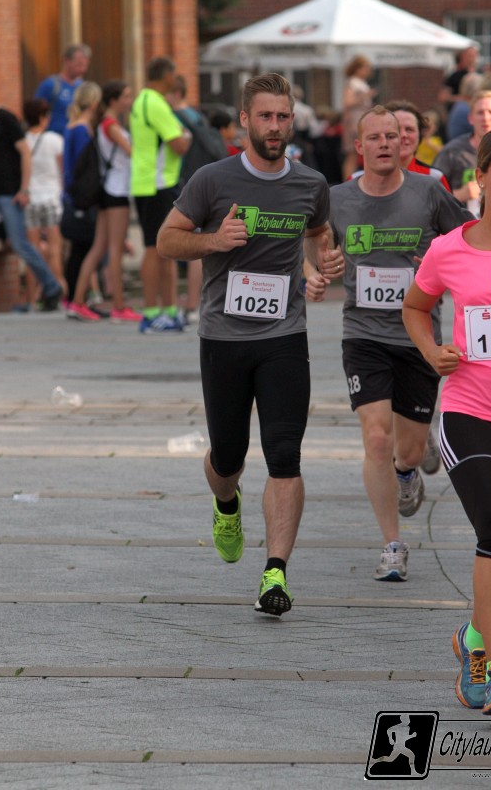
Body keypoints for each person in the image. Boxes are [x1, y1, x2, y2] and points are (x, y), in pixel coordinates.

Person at [157, 73, 337, 616]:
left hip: (284, 336)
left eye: (282, 116)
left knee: (284, 454)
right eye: (265, 116)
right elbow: (167, 240)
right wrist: (215, 239)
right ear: (244, 120)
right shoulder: (212, 180)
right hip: (224, 338)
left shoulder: (310, 183)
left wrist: (320, 266)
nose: (274, 126)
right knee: (228, 456)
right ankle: (226, 501)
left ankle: (274, 574)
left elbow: (317, 232)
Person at [402, 129, 491, 714]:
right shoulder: (449, 249)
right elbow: (415, 307)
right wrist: (430, 351)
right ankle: (490, 660)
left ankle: (472, 636)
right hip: (470, 410)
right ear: (480, 178)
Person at [309, 106, 470, 583]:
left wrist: (439, 260)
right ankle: (392, 545)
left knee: (411, 451)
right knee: (376, 437)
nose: (384, 144)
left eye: (392, 136)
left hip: (418, 337)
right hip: (363, 334)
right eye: (374, 137)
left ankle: (407, 472)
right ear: (359, 146)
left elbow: (467, 238)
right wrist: (318, 269)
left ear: (405, 144)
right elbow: (313, 238)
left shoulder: (429, 192)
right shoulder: (336, 197)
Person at [0, 78, 63, 314]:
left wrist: (24, 188)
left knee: (20, 243)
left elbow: (25, 153)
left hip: (9, 192)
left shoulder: (6, 119)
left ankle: (51, 287)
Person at [68, 80, 140, 323]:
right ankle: (119, 306)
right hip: (117, 191)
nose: (129, 101)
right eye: (126, 96)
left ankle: (77, 302)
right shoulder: (111, 125)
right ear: (113, 100)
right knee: (114, 250)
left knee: (98, 248)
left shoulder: (103, 124)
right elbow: (132, 152)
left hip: (106, 190)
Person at [129, 57, 192, 333]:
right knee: (158, 249)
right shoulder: (156, 103)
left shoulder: (141, 100)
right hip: (159, 183)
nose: (175, 80)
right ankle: (155, 313)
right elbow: (179, 144)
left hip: (146, 181)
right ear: (166, 76)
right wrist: (186, 135)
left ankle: (166, 311)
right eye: (173, 75)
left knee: (161, 249)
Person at [167, 75, 228, 324]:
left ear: (174, 94)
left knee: (194, 244)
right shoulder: (197, 116)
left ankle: (191, 304)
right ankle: (199, 303)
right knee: (203, 241)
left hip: (188, 182)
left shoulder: (175, 118)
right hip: (210, 182)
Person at [61, 81, 102, 304]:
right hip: (82, 196)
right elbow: (85, 166)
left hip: (72, 194)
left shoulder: (71, 126)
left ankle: (74, 297)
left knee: (77, 250)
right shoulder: (82, 129)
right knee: (83, 249)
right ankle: (77, 298)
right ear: (94, 103)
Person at [22, 98, 65, 308]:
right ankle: (58, 296)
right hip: (51, 198)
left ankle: (32, 300)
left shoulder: (22, 140)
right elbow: (62, 170)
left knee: (33, 253)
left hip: (30, 199)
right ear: (42, 117)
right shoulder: (55, 139)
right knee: (55, 250)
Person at [433, 90, 491, 216]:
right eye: (480, 113)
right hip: (461, 223)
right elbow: (431, 197)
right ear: (470, 118)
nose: (486, 118)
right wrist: (459, 194)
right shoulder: (452, 152)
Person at [34, 43, 92, 137]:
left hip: (75, 138)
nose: (83, 70)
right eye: (79, 64)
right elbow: (35, 113)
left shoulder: (82, 87)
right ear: (67, 61)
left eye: (85, 65)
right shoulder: (50, 85)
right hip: (55, 138)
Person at [341, 55, 374, 179]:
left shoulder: (360, 83)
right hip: (354, 121)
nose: (367, 70)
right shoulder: (352, 82)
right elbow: (348, 102)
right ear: (357, 68)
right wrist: (364, 96)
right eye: (365, 67)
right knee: (352, 154)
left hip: (362, 119)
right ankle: (347, 181)